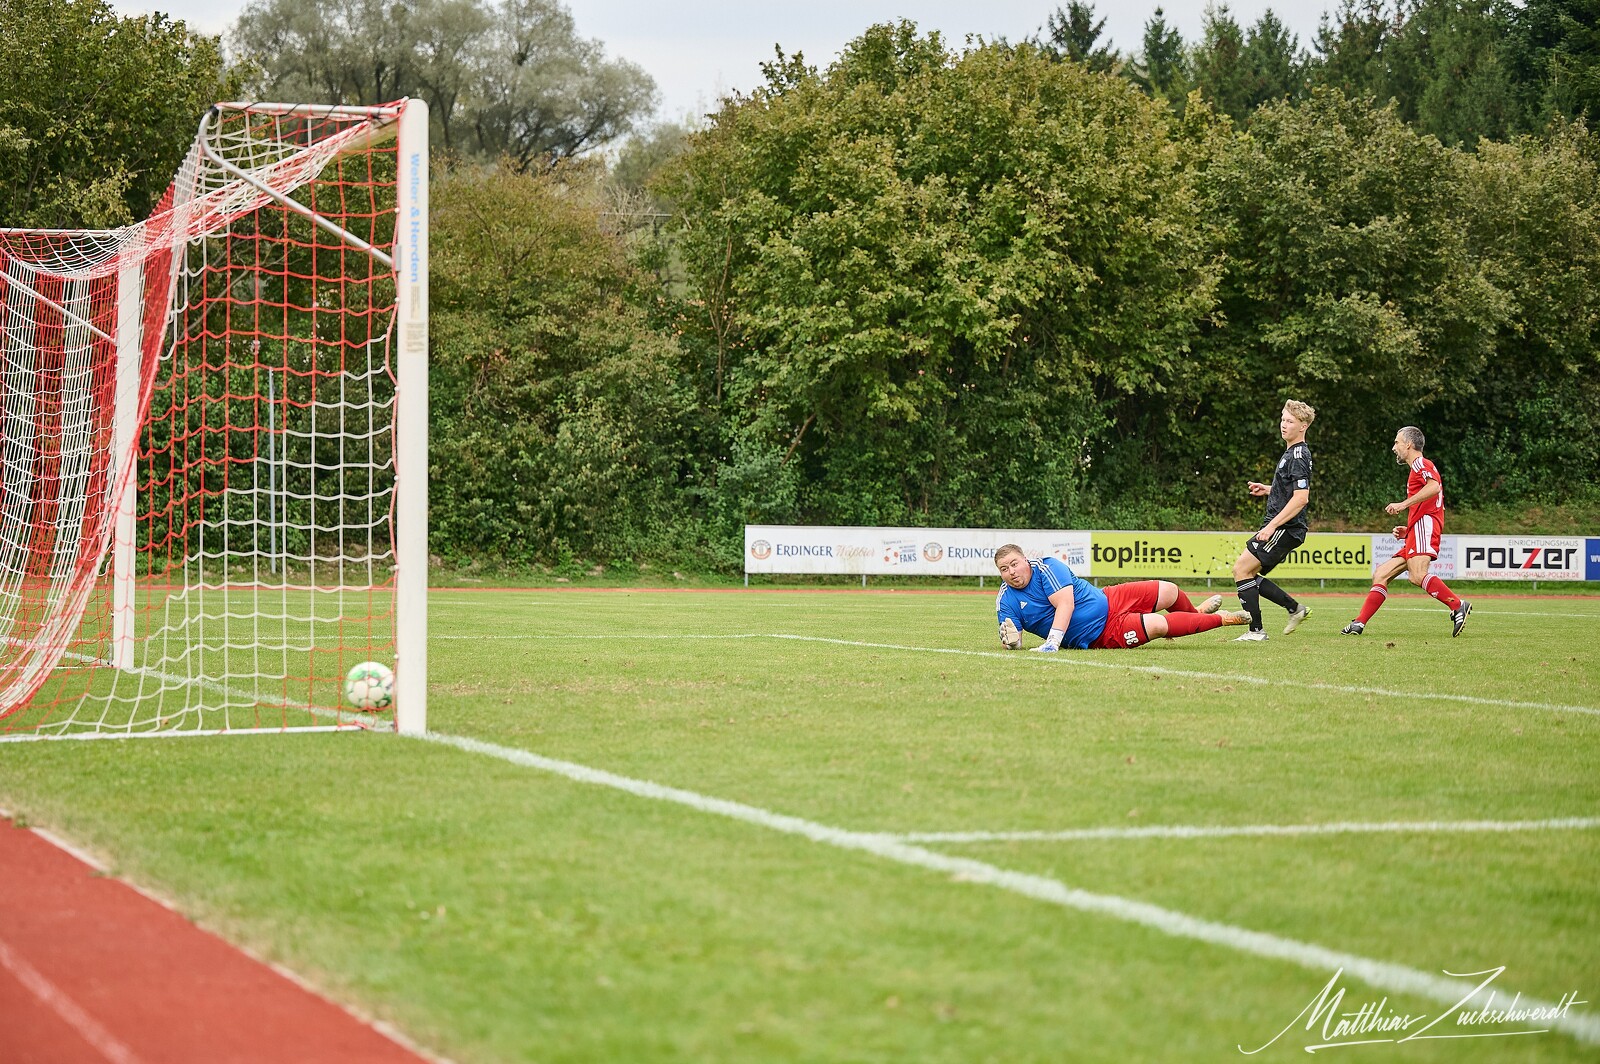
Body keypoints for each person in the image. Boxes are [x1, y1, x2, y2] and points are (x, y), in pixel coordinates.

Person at [993, 544, 1250, 651]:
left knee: (1169, 590)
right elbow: (1012, 637)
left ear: (1025, 559)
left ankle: (1195, 614)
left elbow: (1065, 604)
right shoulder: (1005, 600)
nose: (1011, 572)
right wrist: (1013, 643)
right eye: (1004, 569)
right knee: (1158, 625)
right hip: (1101, 634)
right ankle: (1222, 619)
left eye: (1014, 564)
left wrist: (1052, 643)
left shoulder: (1046, 566)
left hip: (1110, 598)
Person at [1342, 426, 1471, 637]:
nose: (1394, 447)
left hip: (1425, 525)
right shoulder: (1417, 468)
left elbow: (1434, 487)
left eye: (1396, 442)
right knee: (1381, 574)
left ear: (1408, 444)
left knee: (1417, 575)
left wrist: (1403, 505)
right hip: (1418, 527)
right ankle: (1359, 623)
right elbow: (1429, 496)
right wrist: (1409, 529)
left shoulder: (1420, 462)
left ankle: (1458, 605)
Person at [1230, 400, 1317, 642]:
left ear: (1303, 426)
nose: (1283, 425)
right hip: (1284, 527)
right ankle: (1294, 608)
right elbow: (1290, 491)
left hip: (1285, 527)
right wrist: (1270, 489)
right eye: (1282, 419)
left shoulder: (1298, 454)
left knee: (1241, 569)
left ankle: (1256, 631)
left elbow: (1301, 498)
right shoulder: (1291, 452)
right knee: (1247, 574)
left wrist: (1271, 526)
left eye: (1289, 421)